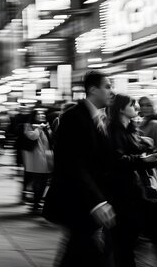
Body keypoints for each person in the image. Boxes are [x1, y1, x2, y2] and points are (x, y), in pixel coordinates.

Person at [43, 70, 115, 267]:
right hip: (78, 200)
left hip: (91, 201)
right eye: (107, 87)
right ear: (93, 89)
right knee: (86, 251)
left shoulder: (102, 118)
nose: (112, 92)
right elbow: (73, 163)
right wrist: (97, 203)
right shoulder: (73, 117)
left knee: (78, 252)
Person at [107, 94, 157, 267]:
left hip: (139, 192)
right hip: (125, 193)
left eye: (143, 105)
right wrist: (143, 159)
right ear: (121, 108)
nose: (138, 108)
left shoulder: (133, 129)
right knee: (126, 242)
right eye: (133, 104)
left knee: (137, 237)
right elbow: (116, 160)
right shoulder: (113, 131)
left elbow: (135, 152)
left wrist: (149, 148)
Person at [22, 108, 53, 215]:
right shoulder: (29, 125)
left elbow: (50, 139)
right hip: (36, 157)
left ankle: (37, 201)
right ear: (34, 115)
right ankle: (36, 203)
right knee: (38, 180)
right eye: (39, 114)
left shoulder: (45, 126)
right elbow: (32, 136)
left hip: (46, 156)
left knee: (44, 181)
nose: (41, 115)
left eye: (42, 114)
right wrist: (39, 128)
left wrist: (47, 128)